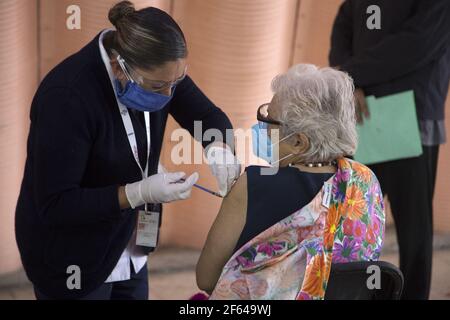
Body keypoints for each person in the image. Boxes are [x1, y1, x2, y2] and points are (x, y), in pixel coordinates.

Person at [15, 1, 240, 300]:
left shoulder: (159, 69)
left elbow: (208, 116)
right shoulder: (66, 98)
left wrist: (219, 148)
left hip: (130, 245)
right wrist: (136, 193)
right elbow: (56, 204)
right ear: (119, 67)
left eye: (176, 83)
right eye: (159, 86)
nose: (169, 95)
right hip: (73, 256)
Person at [196, 64, 385, 299]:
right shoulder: (365, 180)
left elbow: (206, 278)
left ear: (299, 142)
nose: (262, 129)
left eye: (269, 121)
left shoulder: (252, 185)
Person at [329, 0, 450, 299]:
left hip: (410, 113)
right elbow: (343, 24)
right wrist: (347, 80)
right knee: (348, 222)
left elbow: (417, 44)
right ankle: (346, 293)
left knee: (413, 231)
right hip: (361, 115)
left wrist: (350, 74)